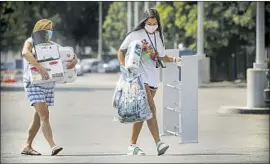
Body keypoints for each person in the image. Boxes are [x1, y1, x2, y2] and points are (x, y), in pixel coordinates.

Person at [117, 8, 181, 156]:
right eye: (148, 23)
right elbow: (121, 51)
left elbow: (162, 57)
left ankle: (132, 146)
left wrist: (175, 59)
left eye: (154, 23)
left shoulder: (158, 36)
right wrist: (122, 66)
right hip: (138, 77)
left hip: (153, 78)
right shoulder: (135, 34)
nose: (151, 25)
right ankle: (159, 143)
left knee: (143, 112)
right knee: (151, 107)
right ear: (144, 22)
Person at [21, 19, 77, 156]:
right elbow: (25, 53)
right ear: (39, 29)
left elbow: (70, 55)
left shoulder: (53, 45)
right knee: (44, 115)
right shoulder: (31, 41)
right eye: (47, 29)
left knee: (39, 116)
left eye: (51, 29)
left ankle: (27, 146)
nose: (50, 32)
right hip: (33, 84)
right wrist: (40, 68)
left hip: (48, 85)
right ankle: (53, 145)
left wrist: (73, 61)